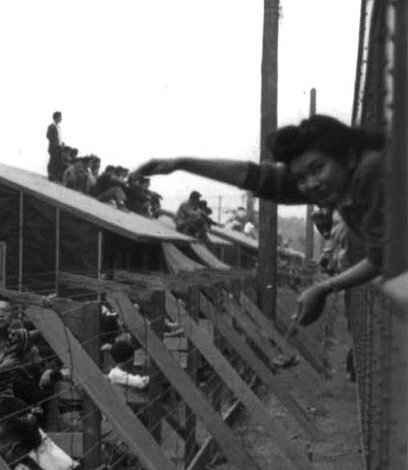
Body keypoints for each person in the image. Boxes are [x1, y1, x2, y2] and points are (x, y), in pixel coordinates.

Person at [133, 114, 385, 325]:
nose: (310, 184)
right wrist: (182, 163)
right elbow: (259, 178)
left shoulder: (371, 173)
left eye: (317, 168)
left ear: (348, 156)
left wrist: (324, 287)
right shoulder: (342, 177)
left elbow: (381, 258)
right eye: (301, 178)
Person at [46, 111, 64, 181]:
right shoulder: (52, 126)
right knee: (52, 161)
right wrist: (55, 143)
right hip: (54, 147)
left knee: (57, 161)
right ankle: (50, 174)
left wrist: (61, 143)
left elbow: (58, 137)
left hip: (58, 147)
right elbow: (48, 135)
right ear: (56, 117)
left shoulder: (58, 127)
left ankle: (54, 175)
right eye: (60, 117)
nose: (61, 118)